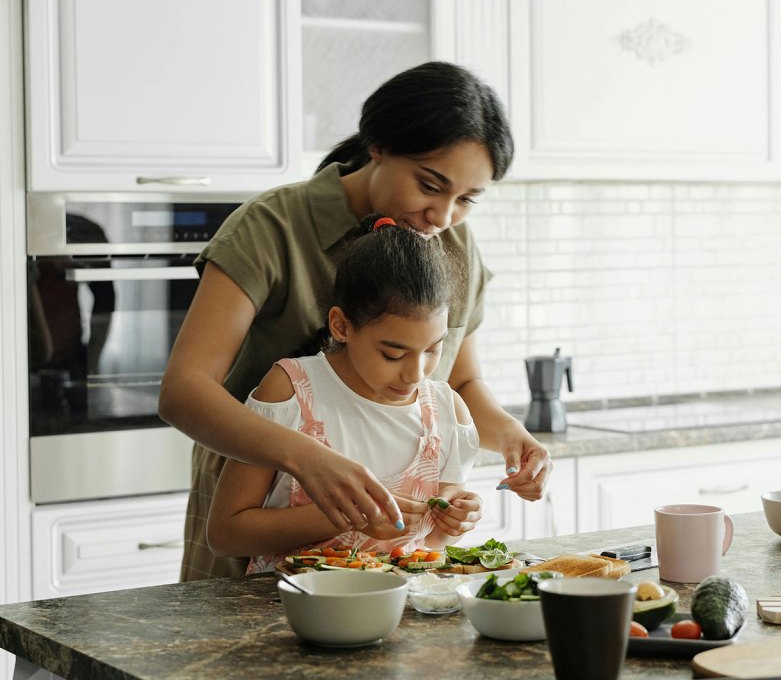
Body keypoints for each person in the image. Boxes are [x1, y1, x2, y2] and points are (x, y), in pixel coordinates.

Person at [158, 61, 553, 581]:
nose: (443, 215)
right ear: (379, 147)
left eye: (466, 200)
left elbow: (458, 380)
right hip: (258, 504)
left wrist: (509, 436)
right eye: (430, 185)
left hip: (385, 557)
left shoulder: (452, 243)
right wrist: (308, 460)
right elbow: (184, 390)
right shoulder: (272, 226)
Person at [207, 216, 482, 572]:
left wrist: (454, 522)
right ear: (341, 326)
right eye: (393, 354)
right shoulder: (291, 392)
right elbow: (226, 534)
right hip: (288, 611)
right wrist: (346, 517)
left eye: (433, 349)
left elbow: (432, 544)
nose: (416, 373)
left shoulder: (447, 412)